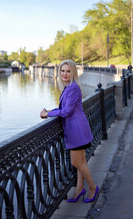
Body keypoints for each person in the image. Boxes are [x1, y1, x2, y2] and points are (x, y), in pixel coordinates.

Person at [40, 60, 99, 203]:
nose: (65, 74)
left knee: (77, 163)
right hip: (78, 128)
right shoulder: (69, 87)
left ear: (73, 73)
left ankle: (92, 188)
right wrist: (50, 111)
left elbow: (66, 111)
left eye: (68, 71)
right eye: (62, 71)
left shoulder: (72, 88)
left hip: (76, 131)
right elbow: (64, 108)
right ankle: (79, 190)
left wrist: (48, 114)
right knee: (82, 162)